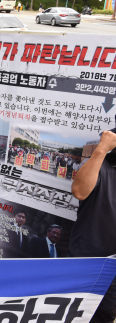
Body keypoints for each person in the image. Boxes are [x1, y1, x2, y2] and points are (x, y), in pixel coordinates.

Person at [70, 131, 116, 322]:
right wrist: (102, 149)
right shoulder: (100, 165)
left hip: (114, 273)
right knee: (74, 315)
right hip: (87, 262)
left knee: (104, 317)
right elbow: (79, 191)